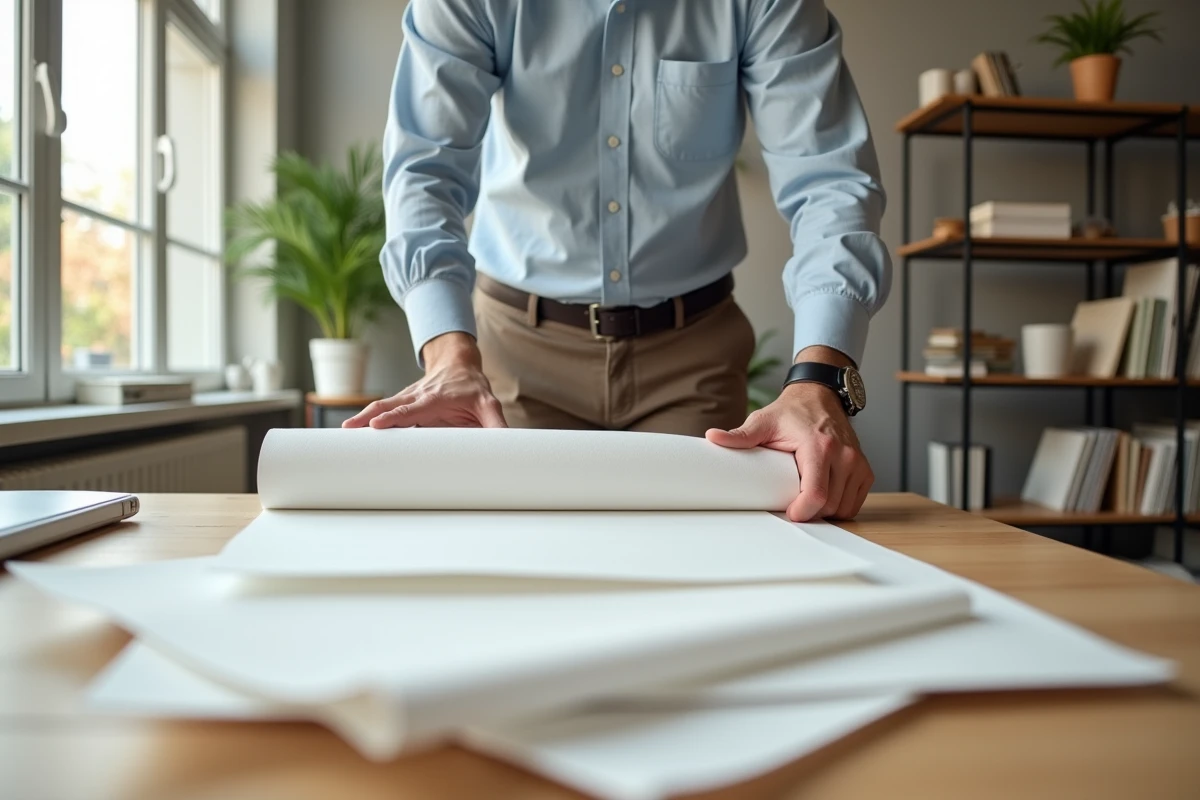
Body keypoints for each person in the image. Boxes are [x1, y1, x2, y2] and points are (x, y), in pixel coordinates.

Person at [345, 0, 892, 523]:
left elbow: (831, 182)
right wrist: (448, 358)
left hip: (691, 359)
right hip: (513, 360)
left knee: (703, 583)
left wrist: (820, 380)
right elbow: (424, 174)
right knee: (515, 575)